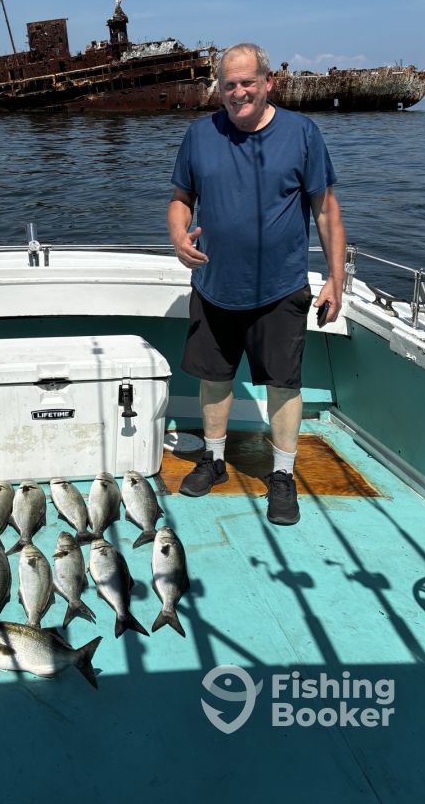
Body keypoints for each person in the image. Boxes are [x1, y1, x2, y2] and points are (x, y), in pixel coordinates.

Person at [167, 43, 345, 525]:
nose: (238, 92)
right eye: (229, 84)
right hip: (214, 284)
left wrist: (336, 278)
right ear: (219, 89)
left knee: (284, 385)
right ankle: (214, 459)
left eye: (248, 82)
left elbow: (326, 210)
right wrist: (178, 235)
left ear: (268, 82)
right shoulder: (199, 134)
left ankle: (282, 474)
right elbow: (181, 198)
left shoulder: (302, 133)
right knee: (214, 379)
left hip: (280, 288)